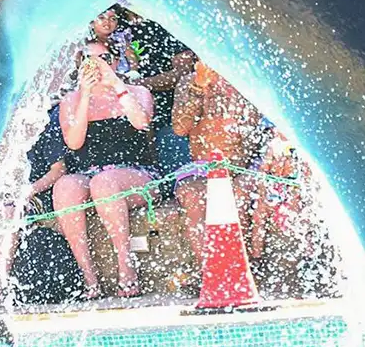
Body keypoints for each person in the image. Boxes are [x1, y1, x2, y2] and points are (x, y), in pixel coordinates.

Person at [53, 49, 157, 299]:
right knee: (65, 187)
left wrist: (116, 85)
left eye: (104, 57)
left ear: (115, 60)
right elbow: (74, 143)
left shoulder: (138, 92)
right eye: (88, 58)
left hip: (137, 173)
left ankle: (126, 267)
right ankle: (88, 275)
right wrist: (86, 95)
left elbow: (141, 122)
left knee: (104, 183)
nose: (96, 64)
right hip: (90, 173)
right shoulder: (71, 101)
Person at [172, 62, 266, 267]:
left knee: (238, 194)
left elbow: (250, 130)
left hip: (243, 167)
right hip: (202, 169)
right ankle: (209, 270)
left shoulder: (242, 80)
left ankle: (242, 267)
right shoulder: (187, 83)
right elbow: (180, 128)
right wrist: (198, 88)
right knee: (192, 196)